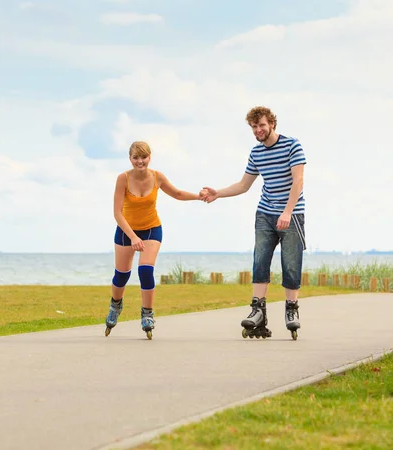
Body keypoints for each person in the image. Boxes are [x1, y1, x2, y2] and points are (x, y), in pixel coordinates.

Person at [200, 106, 307, 339]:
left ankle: (291, 310)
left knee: (290, 263)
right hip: (265, 214)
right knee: (260, 261)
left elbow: (298, 182)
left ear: (272, 124)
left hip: (292, 213)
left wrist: (287, 212)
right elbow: (243, 185)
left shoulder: (292, 145)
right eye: (254, 127)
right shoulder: (256, 153)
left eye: (261, 125)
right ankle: (258, 311)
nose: (258, 130)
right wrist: (217, 193)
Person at [105, 141, 204, 339]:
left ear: (150, 157)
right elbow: (117, 213)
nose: (140, 161)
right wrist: (133, 236)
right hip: (126, 230)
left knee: (145, 269)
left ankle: (147, 313)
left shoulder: (157, 177)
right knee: (121, 275)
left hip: (151, 229)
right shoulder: (122, 179)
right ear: (130, 158)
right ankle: (116, 304)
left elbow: (176, 193)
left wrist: (198, 197)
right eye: (135, 158)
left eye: (144, 157)